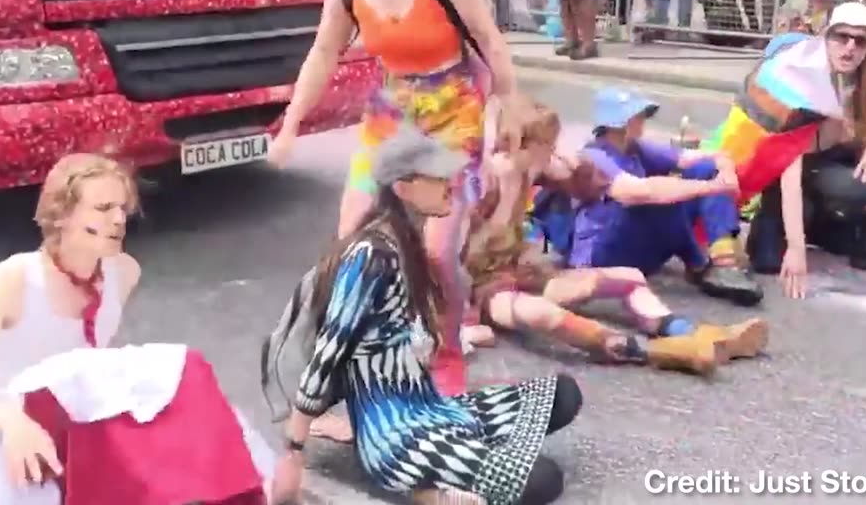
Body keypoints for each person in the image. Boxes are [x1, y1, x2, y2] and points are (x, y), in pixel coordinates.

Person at [268, 0, 525, 401]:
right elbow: (322, 54)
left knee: (435, 252)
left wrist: (509, 109)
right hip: (393, 112)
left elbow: (490, 39)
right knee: (351, 242)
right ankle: (350, 363)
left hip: (453, 110)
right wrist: (290, 124)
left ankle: (449, 347)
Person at [269, 126, 581, 505]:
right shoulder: (370, 255)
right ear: (403, 189)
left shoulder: (407, 242)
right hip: (396, 433)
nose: (449, 183)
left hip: (434, 408)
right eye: (436, 177)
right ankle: (433, 491)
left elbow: (412, 336)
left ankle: (451, 470)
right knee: (542, 479)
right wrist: (293, 451)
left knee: (563, 395)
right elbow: (329, 351)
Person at [464, 95, 769, 374]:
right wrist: (462, 323)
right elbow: (441, 254)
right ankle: (657, 351)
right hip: (482, 288)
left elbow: (588, 185)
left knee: (630, 277)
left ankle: (692, 334)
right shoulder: (485, 181)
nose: (554, 150)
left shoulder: (538, 167)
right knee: (543, 315)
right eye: (548, 143)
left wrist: (578, 167)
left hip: (519, 272)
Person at [0, 153, 142, 501]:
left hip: (85, 449)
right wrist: (11, 421)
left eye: (123, 208)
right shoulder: (11, 281)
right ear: (61, 215)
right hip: (15, 456)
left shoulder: (123, 273)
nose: (118, 219)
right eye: (103, 207)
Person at [744, 3, 866, 298]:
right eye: (841, 37)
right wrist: (795, 247)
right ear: (825, 37)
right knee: (767, 260)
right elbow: (788, 166)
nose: (849, 48)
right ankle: (814, 226)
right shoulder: (804, 74)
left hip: (833, 158)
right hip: (790, 168)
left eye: (860, 40)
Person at [569, 87, 765, 306]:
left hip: (636, 249)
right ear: (619, 123)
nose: (642, 120)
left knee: (704, 169)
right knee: (660, 195)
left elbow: (700, 158)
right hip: (602, 257)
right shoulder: (593, 156)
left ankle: (724, 260)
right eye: (637, 116)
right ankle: (699, 265)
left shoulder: (635, 148)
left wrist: (725, 169)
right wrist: (712, 187)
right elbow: (634, 192)